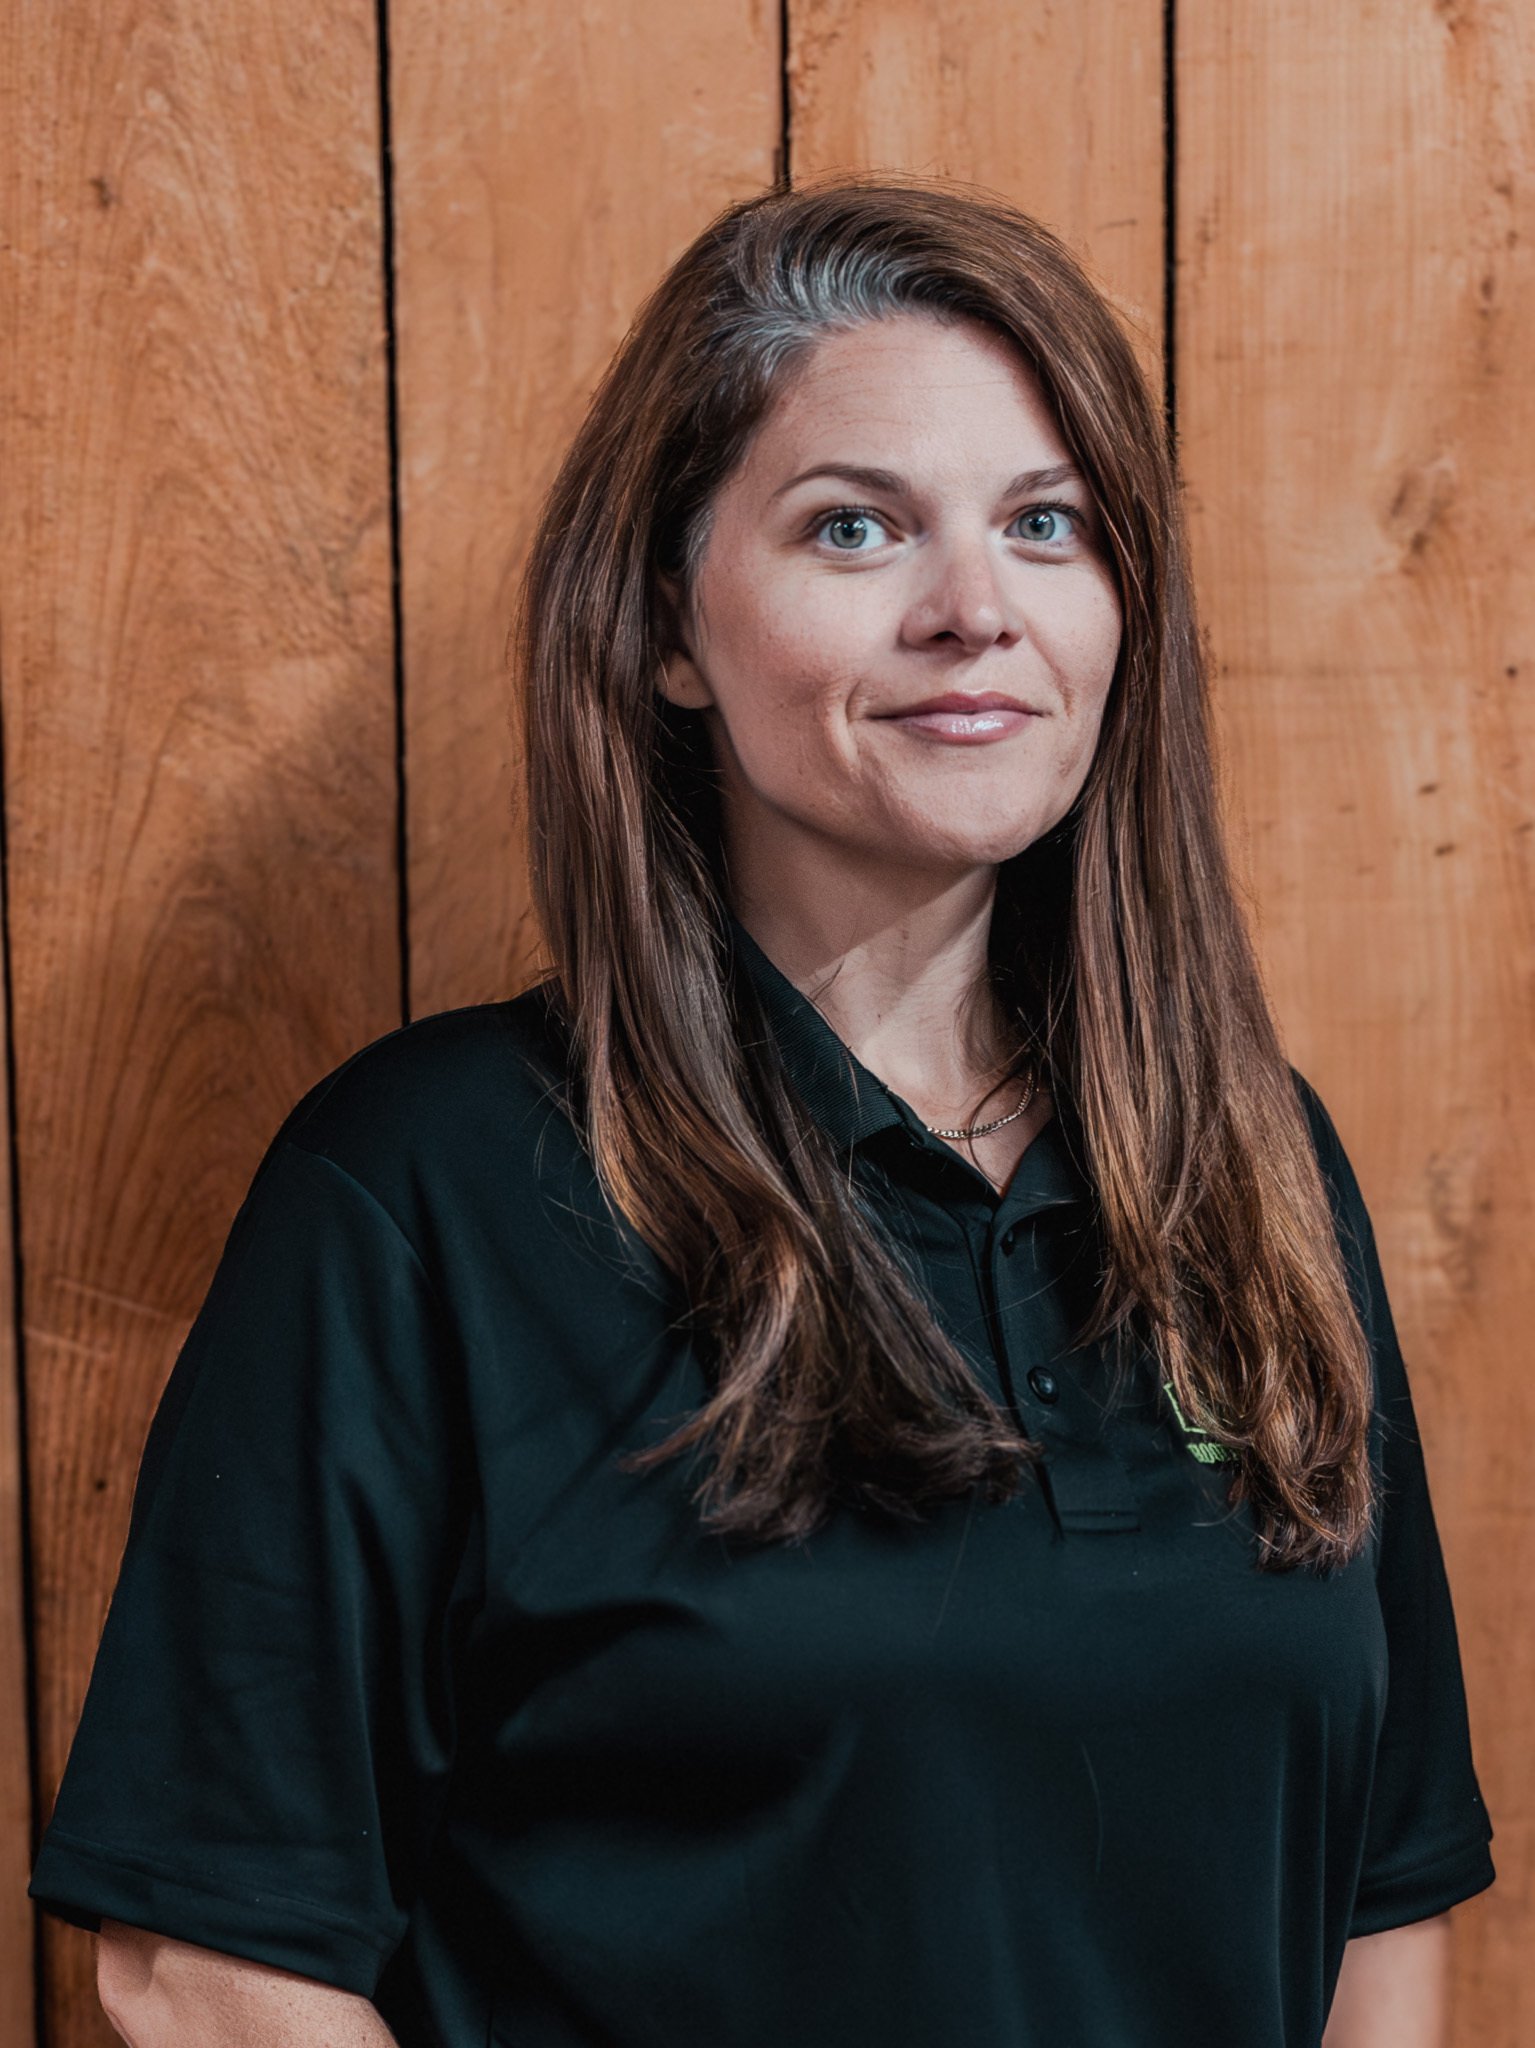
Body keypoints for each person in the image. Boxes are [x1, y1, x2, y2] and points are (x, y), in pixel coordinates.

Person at [31, 174, 1494, 2048]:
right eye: (857, 526)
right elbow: (207, 1963)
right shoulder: (425, 1189)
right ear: (665, 629)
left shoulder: (1252, 1167)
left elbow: (1387, 1894)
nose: (977, 609)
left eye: (1046, 523)